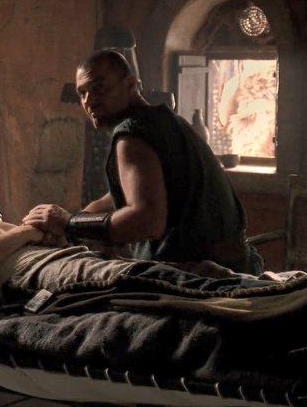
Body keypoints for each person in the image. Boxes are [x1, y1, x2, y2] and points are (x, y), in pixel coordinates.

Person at [22, 49, 264, 275]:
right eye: (82, 93)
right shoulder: (166, 121)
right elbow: (127, 193)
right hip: (239, 264)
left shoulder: (133, 135)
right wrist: (76, 220)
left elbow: (147, 220)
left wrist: (70, 223)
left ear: (130, 84)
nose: (89, 101)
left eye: (99, 88)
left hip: (202, 277)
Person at [0, 174, 270, 306]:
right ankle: (266, 298)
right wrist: (27, 231)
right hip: (32, 277)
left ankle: (270, 288)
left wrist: (55, 232)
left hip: (62, 258)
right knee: (151, 284)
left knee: (188, 271)